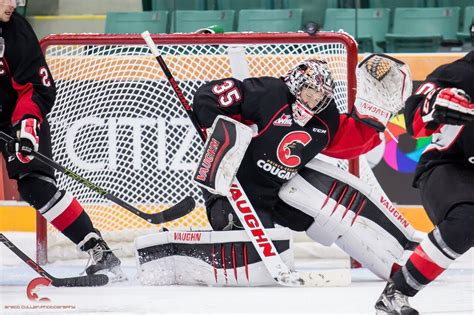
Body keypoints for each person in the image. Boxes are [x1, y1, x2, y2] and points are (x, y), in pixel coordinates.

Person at [0, 1, 124, 281]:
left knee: (36, 187)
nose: (12, 4)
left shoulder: (17, 32)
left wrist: (27, 126)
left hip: (16, 118)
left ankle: (99, 251)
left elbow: (35, 87)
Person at [374, 52, 474, 314]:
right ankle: (396, 293)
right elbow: (414, 121)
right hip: (450, 164)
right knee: (468, 219)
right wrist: (432, 108)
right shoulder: (458, 74)